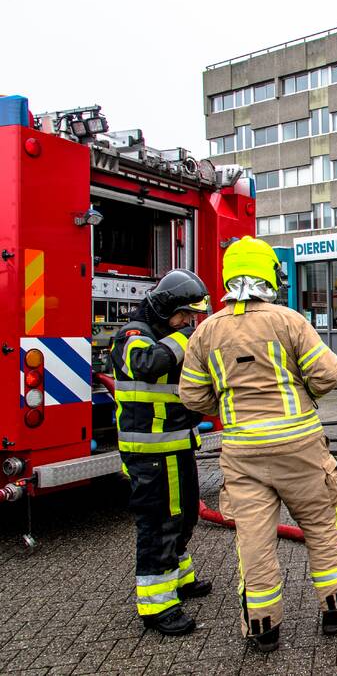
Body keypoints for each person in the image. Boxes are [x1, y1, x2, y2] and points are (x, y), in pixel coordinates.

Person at [178, 236, 337, 653]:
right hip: (298, 447)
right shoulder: (288, 321)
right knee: (321, 527)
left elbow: (192, 396)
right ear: (269, 274)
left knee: (253, 540)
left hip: (242, 452)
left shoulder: (206, 331)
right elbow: (328, 373)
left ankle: (262, 626)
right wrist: (303, 394)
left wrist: (229, 405)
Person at [109, 269, 213, 636]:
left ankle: (180, 579)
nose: (189, 321)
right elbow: (146, 364)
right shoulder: (133, 335)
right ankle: (158, 606)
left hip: (177, 446)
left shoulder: (168, 336)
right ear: (166, 307)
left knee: (184, 517)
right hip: (151, 455)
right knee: (158, 524)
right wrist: (187, 337)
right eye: (185, 314)